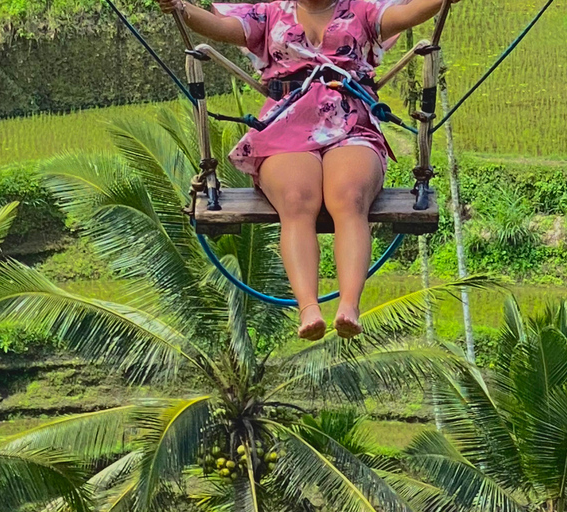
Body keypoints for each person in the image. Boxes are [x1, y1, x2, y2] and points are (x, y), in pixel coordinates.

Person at [157, 0, 456, 340]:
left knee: (349, 195)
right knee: (297, 198)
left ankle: (349, 304)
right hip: (285, 127)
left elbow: (406, 14)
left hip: (352, 125)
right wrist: (180, 7)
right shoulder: (268, 15)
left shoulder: (363, 11)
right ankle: (309, 307)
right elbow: (221, 28)